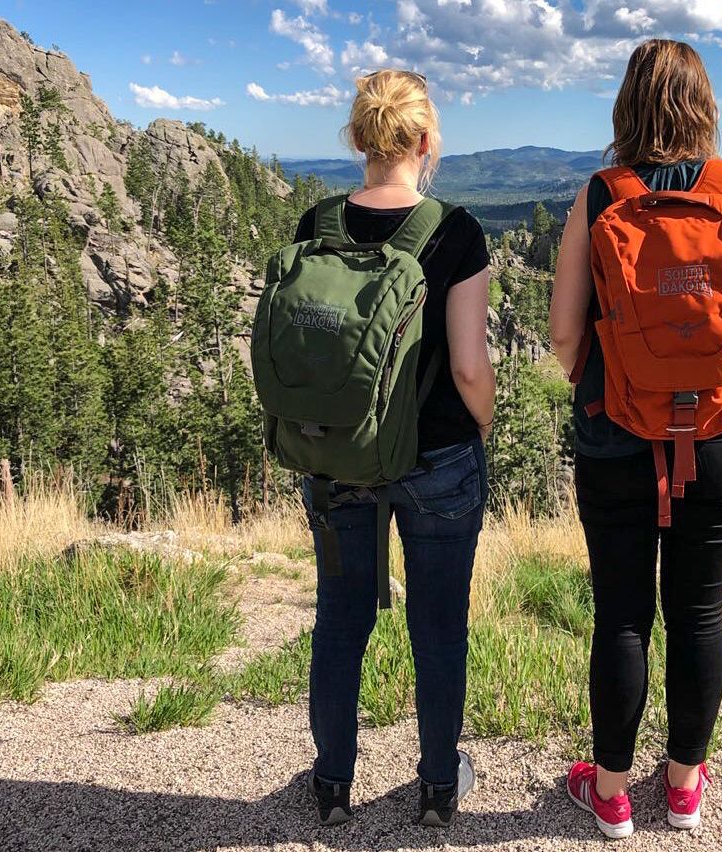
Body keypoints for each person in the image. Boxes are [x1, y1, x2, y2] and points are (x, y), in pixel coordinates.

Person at [548, 39, 722, 839]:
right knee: (699, 614)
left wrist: (609, 377)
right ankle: (683, 787)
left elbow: (560, 334)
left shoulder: (599, 194)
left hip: (615, 433)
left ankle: (610, 793)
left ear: (627, 107)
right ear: (704, 105)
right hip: (720, 432)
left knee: (621, 615)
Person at [294, 69, 495, 829]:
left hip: (337, 456)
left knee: (340, 620)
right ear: (424, 140)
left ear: (359, 138)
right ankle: (439, 790)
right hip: (437, 458)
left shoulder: (314, 225)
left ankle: (332, 785)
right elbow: (471, 367)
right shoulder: (457, 230)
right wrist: (481, 425)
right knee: (439, 626)